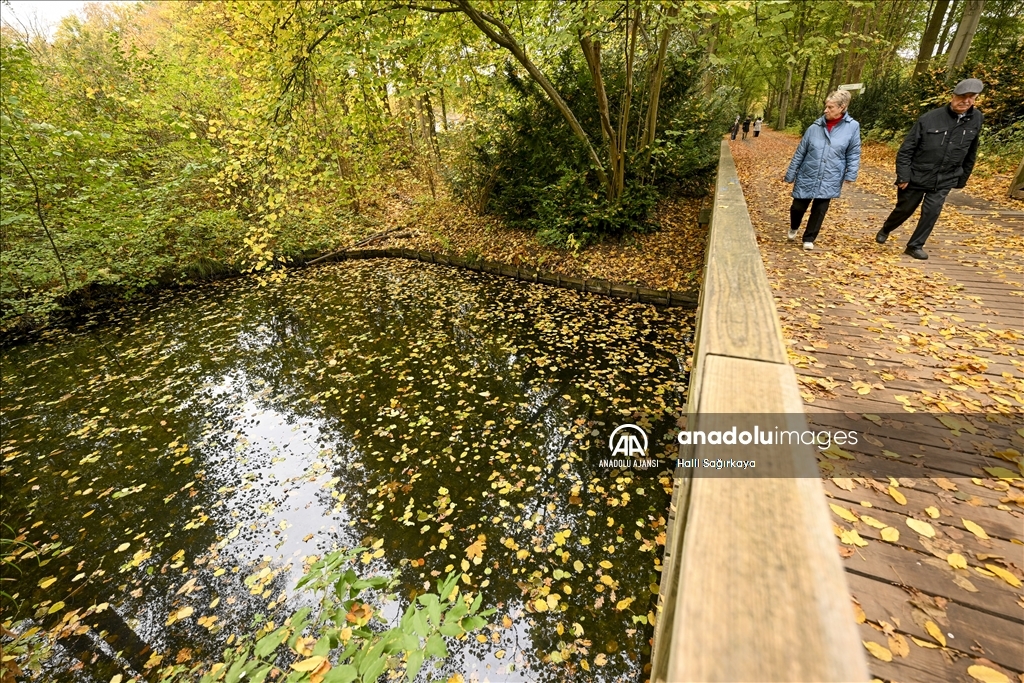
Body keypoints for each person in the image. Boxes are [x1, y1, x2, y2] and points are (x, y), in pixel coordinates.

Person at [875, 78, 984, 260]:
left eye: (970, 97)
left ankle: (915, 245)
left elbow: (971, 150)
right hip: (918, 175)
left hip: (946, 177)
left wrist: (962, 178)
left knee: (932, 211)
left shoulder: (977, 118)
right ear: (952, 97)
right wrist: (903, 176)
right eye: (962, 97)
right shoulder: (929, 119)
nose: (965, 101)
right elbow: (906, 150)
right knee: (904, 209)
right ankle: (887, 227)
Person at [783, 90, 861, 250]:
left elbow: (853, 151)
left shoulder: (853, 127)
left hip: (831, 175)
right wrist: (791, 174)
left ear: (842, 108)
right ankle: (794, 227)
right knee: (797, 207)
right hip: (808, 173)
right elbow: (800, 151)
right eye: (826, 106)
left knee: (820, 209)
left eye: (830, 107)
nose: (826, 110)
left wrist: (851, 173)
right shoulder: (814, 127)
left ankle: (809, 238)